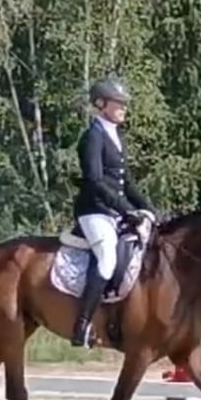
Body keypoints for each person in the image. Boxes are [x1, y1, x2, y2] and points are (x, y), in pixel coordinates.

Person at [70, 77, 159, 347]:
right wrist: (127, 211)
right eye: (118, 103)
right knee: (107, 258)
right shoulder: (92, 137)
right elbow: (95, 181)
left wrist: (149, 209)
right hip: (94, 211)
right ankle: (82, 326)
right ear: (101, 104)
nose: (123, 108)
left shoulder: (116, 135)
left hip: (114, 211)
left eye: (124, 104)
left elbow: (126, 182)